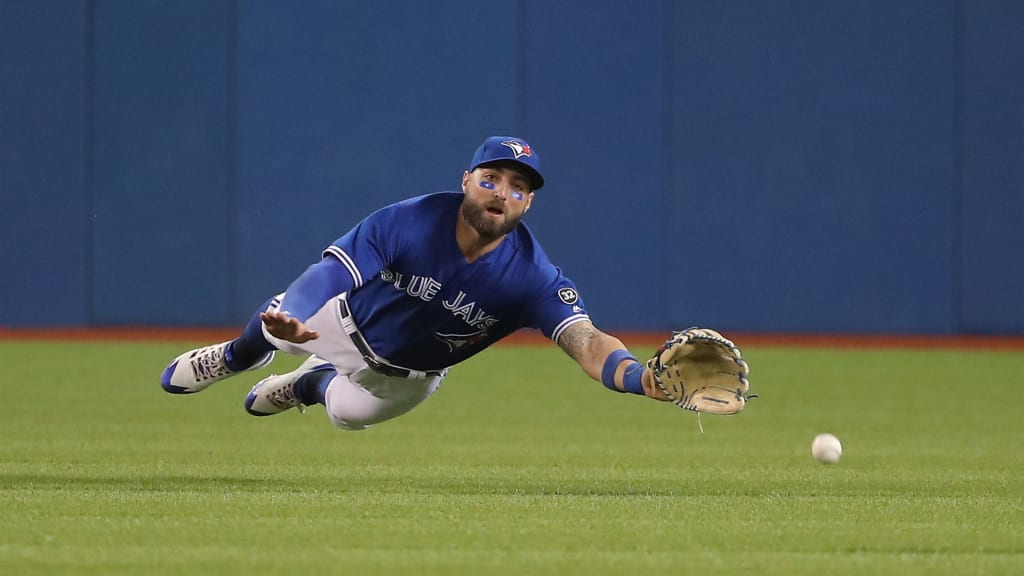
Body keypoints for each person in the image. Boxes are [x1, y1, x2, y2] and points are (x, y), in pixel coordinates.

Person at [161, 136, 668, 430]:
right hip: (341, 320)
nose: (502, 193)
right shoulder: (408, 221)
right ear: (466, 180)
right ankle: (237, 356)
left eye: (519, 187)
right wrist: (295, 314)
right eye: (491, 178)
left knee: (347, 416)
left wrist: (638, 378)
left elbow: (586, 340)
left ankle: (309, 383)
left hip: (406, 378)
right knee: (274, 324)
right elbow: (331, 273)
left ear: (529, 203)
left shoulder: (531, 277)